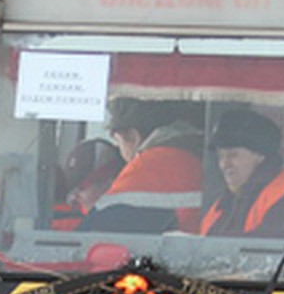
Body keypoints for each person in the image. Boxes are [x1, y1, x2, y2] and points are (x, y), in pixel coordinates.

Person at [198, 103, 284, 243]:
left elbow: (269, 252)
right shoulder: (223, 204)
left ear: (260, 156)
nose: (224, 164)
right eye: (221, 156)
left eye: (233, 155)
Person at [81, 97, 204, 234]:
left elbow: (91, 235)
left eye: (119, 142)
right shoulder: (205, 156)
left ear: (133, 137)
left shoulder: (149, 167)